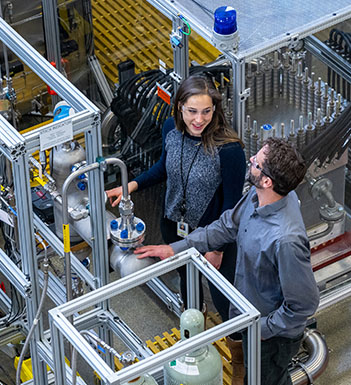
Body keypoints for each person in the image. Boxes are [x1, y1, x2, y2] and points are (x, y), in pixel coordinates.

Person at [135, 138, 319, 385]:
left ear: (267, 181)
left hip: (271, 339)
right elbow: (224, 227)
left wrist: (260, 330)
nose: (251, 160)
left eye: (257, 162)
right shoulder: (257, 196)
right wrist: (174, 249)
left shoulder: (285, 239)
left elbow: (304, 306)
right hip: (249, 319)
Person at [106, 75, 246, 322]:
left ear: (215, 110)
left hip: (212, 235)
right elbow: (163, 168)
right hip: (174, 225)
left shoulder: (229, 149)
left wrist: (217, 248)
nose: (199, 119)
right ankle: (193, 330)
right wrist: (129, 186)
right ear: (179, 107)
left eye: (206, 111)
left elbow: (231, 207)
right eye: (192, 111)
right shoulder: (171, 129)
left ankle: (237, 345)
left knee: (223, 295)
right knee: (187, 282)